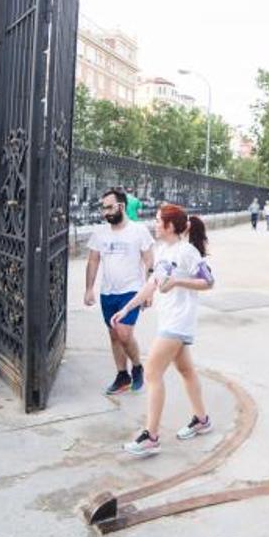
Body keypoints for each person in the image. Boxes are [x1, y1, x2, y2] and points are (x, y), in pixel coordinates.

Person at [114, 204, 214, 456]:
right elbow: (151, 285)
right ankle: (202, 420)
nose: (155, 224)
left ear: (170, 226)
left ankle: (151, 436)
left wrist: (178, 281)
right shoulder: (162, 250)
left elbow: (209, 281)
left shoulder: (187, 251)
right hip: (168, 319)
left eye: (158, 220)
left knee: (151, 372)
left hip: (178, 323)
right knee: (186, 370)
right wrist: (126, 309)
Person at [85, 188, 154, 395]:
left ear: (121, 206)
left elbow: (149, 260)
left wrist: (148, 291)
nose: (105, 212)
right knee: (114, 335)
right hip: (108, 292)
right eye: (103, 208)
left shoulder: (138, 230)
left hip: (131, 291)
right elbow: (93, 260)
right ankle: (122, 375)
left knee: (124, 332)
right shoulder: (100, 232)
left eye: (108, 207)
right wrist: (89, 289)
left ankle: (137, 366)